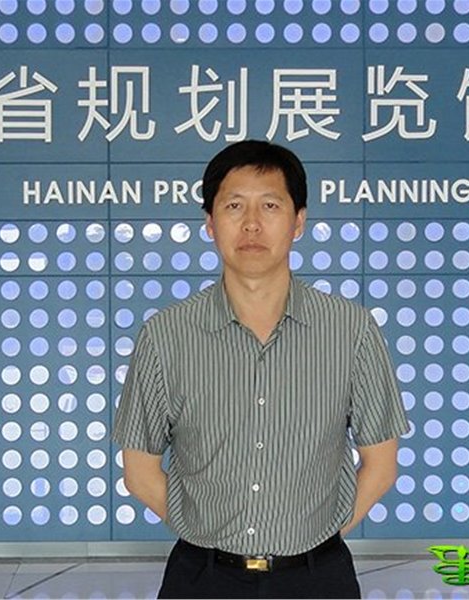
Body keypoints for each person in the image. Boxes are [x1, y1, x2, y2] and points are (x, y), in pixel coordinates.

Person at [112, 140, 409, 599]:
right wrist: (205, 530)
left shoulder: (351, 330)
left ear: (298, 221)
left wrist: (314, 537)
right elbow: (139, 471)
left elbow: (381, 464)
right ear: (210, 223)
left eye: (270, 205)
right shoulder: (166, 335)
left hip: (318, 578)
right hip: (203, 579)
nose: (252, 223)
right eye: (234, 206)